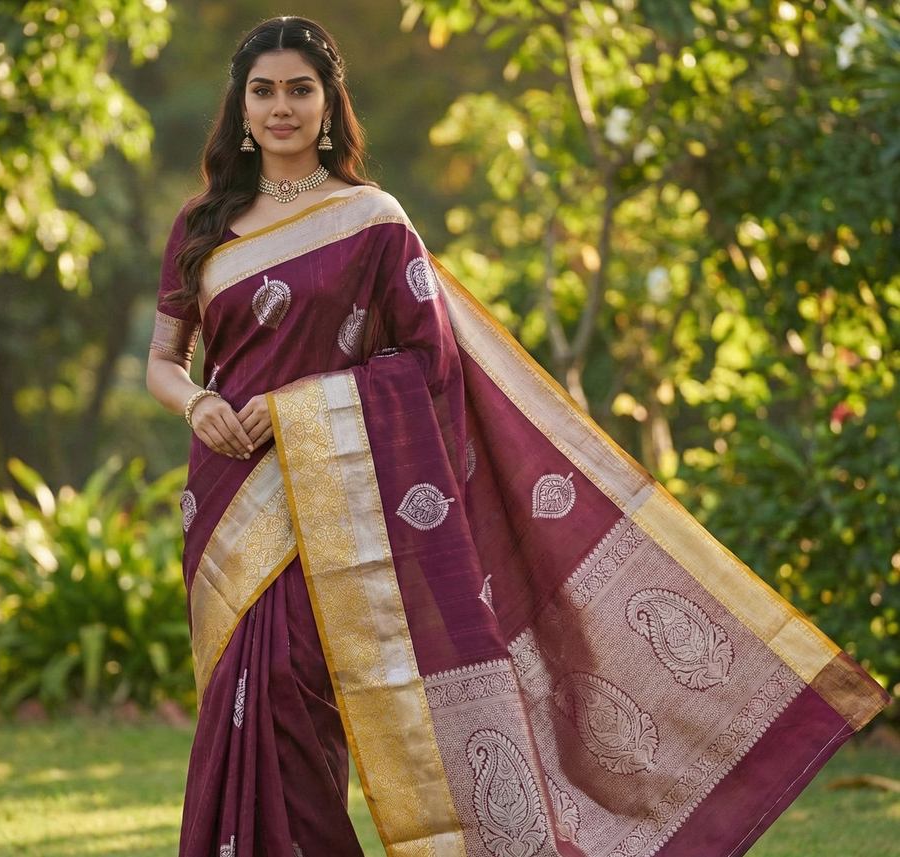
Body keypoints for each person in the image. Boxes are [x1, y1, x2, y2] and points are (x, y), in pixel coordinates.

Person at [147, 16, 887, 857]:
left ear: (329, 105)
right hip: (227, 493)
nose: (281, 107)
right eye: (264, 90)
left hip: (333, 497)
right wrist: (194, 404)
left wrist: (297, 407)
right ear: (241, 109)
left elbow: (427, 362)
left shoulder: (372, 221)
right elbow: (165, 359)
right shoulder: (204, 224)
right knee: (245, 700)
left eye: (300, 89)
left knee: (291, 687)